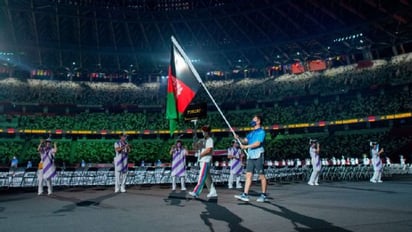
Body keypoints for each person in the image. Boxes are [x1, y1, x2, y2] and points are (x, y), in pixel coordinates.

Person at [235, 115, 268, 202]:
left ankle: (264, 195)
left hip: (258, 155)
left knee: (261, 176)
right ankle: (245, 194)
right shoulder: (251, 133)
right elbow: (244, 141)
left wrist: (246, 147)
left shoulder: (261, 132)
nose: (252, 121)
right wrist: (238, 138)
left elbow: (257, 143)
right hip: (250, 156)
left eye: (254, 120)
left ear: (259, 121)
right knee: (248, 175)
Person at [188, 125, 218, 199]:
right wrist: (194, 142)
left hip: (206, 160)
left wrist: (201, 154)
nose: (203, 132)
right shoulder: (202, 140)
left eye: (204, 131)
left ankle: (196, 192)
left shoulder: (210, 140)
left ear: (208, 132)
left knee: (201, 177)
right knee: (207, 178)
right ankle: (213, 192)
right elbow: (195, 147)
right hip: (202, 160)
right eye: (203, 131)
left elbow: (209, 150)